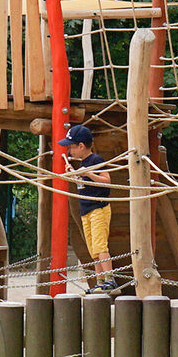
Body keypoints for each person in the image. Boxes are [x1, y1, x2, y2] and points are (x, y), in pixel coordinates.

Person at [58, 123, 118, 293]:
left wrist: (89, 174)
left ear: (81, 146)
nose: (69, 151)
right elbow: (84, 184)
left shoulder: (96, 161)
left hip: (98, 208)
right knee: (93, 250)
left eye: (71, 147)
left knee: (100, 246)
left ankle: (110, 279)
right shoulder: (83, 163)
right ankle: (100, 282)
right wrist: (74, 174)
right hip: (86, 211)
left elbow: (107, 181)